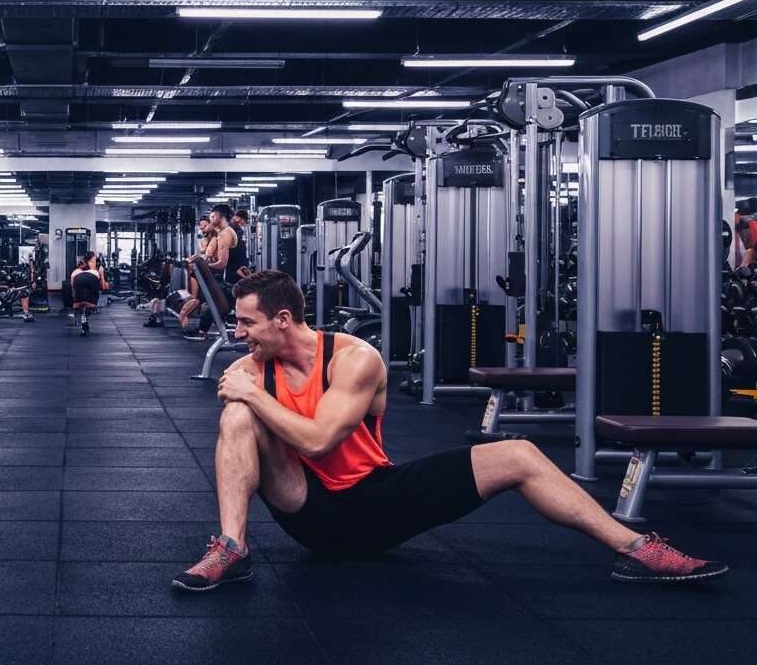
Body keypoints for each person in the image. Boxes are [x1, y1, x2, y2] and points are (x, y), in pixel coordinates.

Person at [172, 270, 727, 591]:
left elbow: (320, 440)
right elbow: (275, 434)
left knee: (520, 451)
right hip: (305, 508)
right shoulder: (253, 368)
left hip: (377, 502)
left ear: (283, 320)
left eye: (247, 322)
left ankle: (636, 548)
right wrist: (248, 395)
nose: (238, 333)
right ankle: (232, 549)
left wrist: (249, 392)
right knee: (237, 414)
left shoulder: (352, 359)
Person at [186, 204, 248, 341]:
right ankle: (202, 329)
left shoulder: (225, 234)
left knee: (213, 300)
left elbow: (221, 264)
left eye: (213, 216)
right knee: (211, 300)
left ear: (222, 217)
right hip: (230, 277)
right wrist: (200, 259)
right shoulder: (222, 233)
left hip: (235, 278)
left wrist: (203, 264)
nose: (210, 219)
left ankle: (202, 330)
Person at [178, 218, 214, 331]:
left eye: (205, 225)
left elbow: (208, 256)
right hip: (202, 271)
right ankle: (187, 323)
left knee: (201, 298)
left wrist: (198, 257)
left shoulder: (215, 239)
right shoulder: (204, 239)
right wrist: (190, 259)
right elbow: (200, 254)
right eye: (201, 225)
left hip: (211, 272)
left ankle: (199, 326)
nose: (202, 227)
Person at [70, 251, 105, 336]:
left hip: (77, 281)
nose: (95, 263)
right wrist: (102, 274)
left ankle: (83, 316)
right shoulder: (95, 271)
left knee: (81, 303)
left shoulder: (75, 271)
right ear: (88, 262)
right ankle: (86, 312)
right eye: (93, 261)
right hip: (91, 280)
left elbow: (72, 287)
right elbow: (103, 287)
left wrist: (75, 302)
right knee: (90, 303)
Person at [19, 254, 38, 322]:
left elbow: (33, 274)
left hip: (29, 283)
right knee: (25, 296)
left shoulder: (31, 266)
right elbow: (31, 275)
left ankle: (26, 312)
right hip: (25, 284)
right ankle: (25, 312)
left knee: (26, 296)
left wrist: (33, 282)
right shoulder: (25, 268)